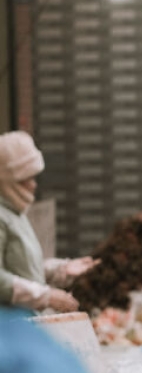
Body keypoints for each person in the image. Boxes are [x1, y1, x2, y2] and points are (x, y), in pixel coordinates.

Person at [0, 130, 98, 312]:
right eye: (27, 179)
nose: (34, 185)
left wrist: (61, 270)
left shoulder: (15, 214)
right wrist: (46, 296)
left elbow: (21, 268)